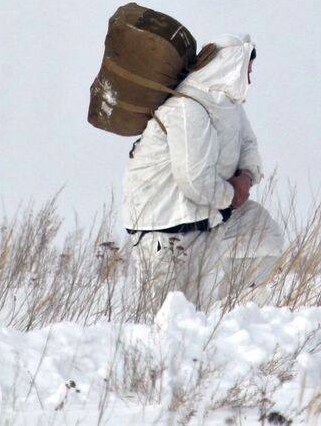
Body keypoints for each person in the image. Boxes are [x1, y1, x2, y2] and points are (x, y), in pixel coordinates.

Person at [122, 33, 285, 310]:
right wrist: (231, 194)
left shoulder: (228, 106)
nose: (250, 78)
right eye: (247, 70)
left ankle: (221, 305)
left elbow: (248, 145)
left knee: (264, 236)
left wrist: (246, 176)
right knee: (165, 316)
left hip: (208, 218)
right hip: (165, 229)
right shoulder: (186, 109)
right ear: (231, 67)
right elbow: (194, 181)